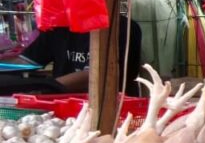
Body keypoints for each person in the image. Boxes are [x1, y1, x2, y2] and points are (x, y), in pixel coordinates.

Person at [8, 15, 141, 95]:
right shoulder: (58, 27)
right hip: (62, 105)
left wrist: (45, 86)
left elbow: (96, 75)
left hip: (111, 110)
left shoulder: (123, 27)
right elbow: (27, 61)